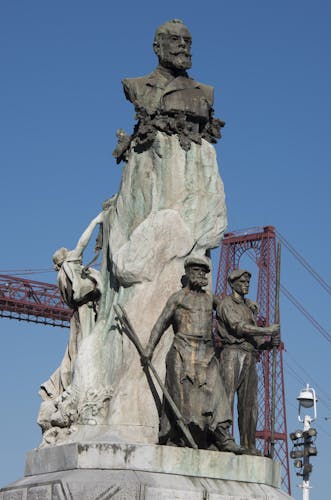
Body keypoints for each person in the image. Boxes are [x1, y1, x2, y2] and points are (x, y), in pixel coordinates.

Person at [145, 256, 242, 453]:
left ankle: (222, 435)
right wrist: (149, 348)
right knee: (182, 397)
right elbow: (161, 323)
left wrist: (249, 317)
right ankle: (179, 435)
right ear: (188, 273)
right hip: (182, 349)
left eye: (204, 272)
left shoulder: (210, 299)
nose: (201, 275)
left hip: (206, 352)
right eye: (197, 271)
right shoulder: (178, 298)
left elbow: (231, 318)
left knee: (217, 393)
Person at [113, 18, 224, 161]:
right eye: (174, 39)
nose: (183, 45)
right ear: (157, 47)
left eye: (187, 41)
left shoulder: (204, 91)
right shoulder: (136, 85)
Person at [38, 212, 103, 442]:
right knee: (89, 352)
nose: (70, 252)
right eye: (66, 252)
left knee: (74, 357)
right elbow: (82, 244)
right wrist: (97, 221)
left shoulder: (60, 278)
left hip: (77, 317)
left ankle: (71, 391)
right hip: (87, 313)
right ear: (62, 259)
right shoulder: (69, 266)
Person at [215, 269, 280, 455]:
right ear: (232, 283)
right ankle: (222, 439)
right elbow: (238, 327)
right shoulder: (226, 304)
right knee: (225, 399)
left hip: (249, 356)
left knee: (249, 404)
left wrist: (269, 344)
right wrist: (266, 330)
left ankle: (248, 444)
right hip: (231, 353)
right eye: (242, 281)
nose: (246, 284)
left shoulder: (248, 308)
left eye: (248, 282)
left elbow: (256, 341)